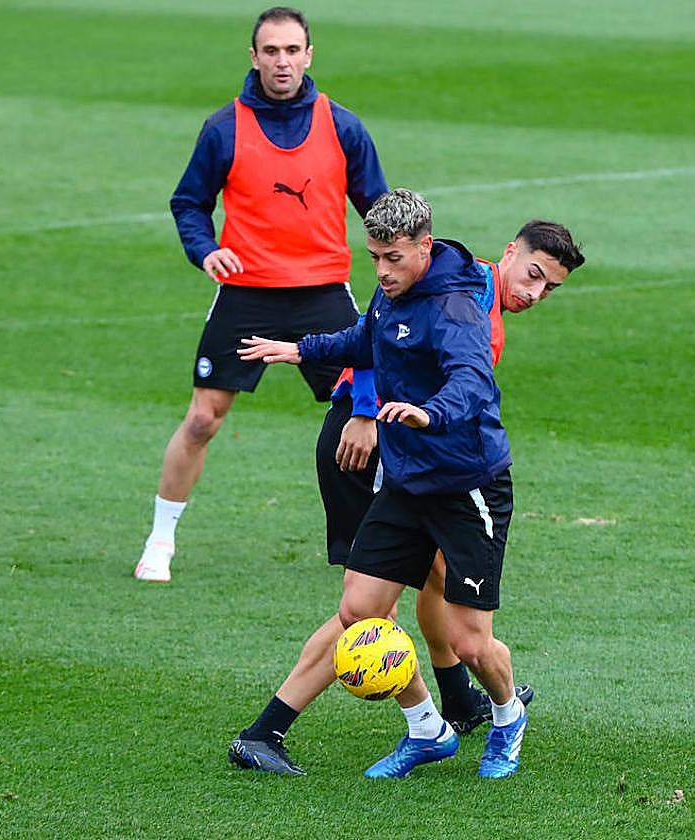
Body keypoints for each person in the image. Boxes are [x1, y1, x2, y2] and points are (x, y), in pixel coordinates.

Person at [227, 219, 584, 775]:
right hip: (374, 446)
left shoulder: (462, 296)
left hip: (441, 467)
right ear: (510, 253)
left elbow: (461, 381)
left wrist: (426, 414)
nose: (536, 294)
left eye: (550, 287)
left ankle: (476, 708)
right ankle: (400, 726)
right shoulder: (429, 286)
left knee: (449, 603)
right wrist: (358, 402)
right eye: (534, 275)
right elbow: (376, 340)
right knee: (367, 609)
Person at [133, 6, 387, 582]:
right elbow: (188, 203)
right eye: (271, 51)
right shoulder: (224, 127)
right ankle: (160, 539)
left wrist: (402, 270)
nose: (282, 61)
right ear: (254, 57)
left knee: (368, 412)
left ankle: (376, 545)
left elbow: (380, 209)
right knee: (202, 419)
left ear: (309, 55)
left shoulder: (343, 126)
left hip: (323, 295)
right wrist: (205, 250)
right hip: (247, 294)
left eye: (293, 50)